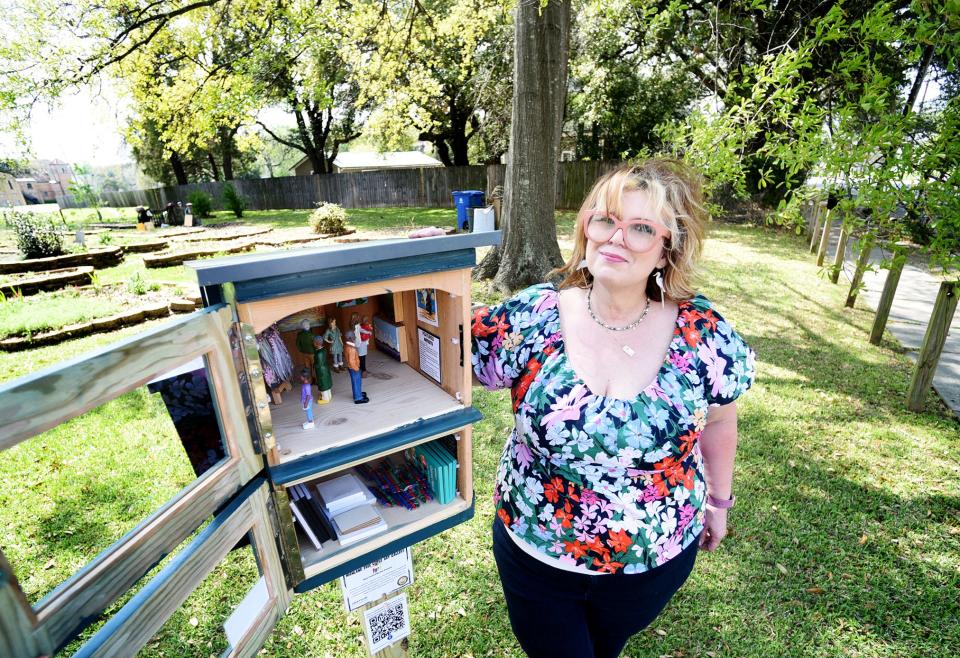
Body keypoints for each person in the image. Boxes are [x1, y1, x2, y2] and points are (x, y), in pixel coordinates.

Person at [470, 159, 756, 658]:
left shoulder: (703, 332)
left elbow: (720, 418)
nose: (616, 238)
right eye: (605, 220)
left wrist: (720, 502)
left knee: (605, 648)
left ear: (670, 248)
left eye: (641, 228)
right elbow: (441, 355)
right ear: (586, 228)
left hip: (654, 561)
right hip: (538, 554)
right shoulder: (532, 315)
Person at [343, 331, 369, 404]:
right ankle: (358, 398)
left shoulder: (348, 346)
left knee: (357, 382)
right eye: (354, 336)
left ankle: (358, 393)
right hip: (354, 368)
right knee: (356, 382)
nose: (355, 337)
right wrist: (357, 369)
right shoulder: (351, 349)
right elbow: (351, 362)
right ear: (350, 338)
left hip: (353, 368)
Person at [312, 335, 333, 404]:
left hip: (321, 371)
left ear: (316, 343)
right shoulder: (323, 350)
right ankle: (329, 396)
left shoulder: (319, 353)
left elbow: (319, 364)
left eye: (313, 342)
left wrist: (314, 367)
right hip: (325, 369)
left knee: (323, 384)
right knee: (326, 383)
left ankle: (325, 398)